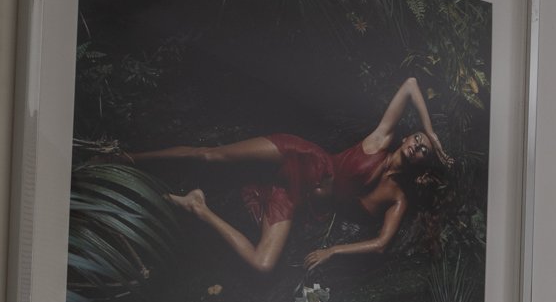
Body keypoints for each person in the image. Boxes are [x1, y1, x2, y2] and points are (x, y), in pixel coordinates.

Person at [127, 77, 454, 274]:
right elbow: (411, 85)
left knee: (263, 265)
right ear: (408, 137)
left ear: (425, 164)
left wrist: (333, 250)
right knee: (210, 155)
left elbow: (381, 244)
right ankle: (128, 157)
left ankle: (197, 207)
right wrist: (433, 132)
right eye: (418, 139)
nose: (418, 145)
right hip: (302, 159)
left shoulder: (398, 199)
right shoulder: (380, 141)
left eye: (426, 149)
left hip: (297, 198)